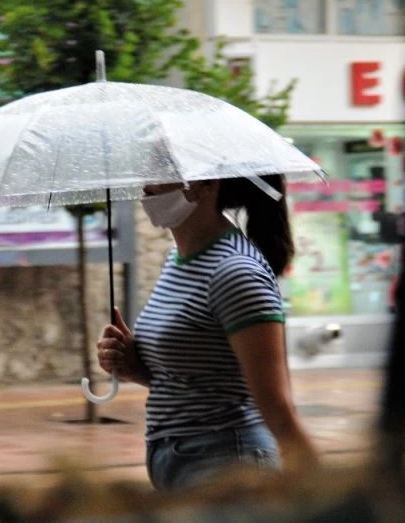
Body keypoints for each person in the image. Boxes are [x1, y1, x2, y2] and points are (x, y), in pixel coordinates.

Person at [96, 175, 320, 492]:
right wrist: (134, 366)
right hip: (177, 460)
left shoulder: (235, 272)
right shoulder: (177, 260)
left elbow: (276, 405)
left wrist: (322, 491)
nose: (147, 184)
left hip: (227, 463)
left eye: (162, 171)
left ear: (206, 184)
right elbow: (201, 378)